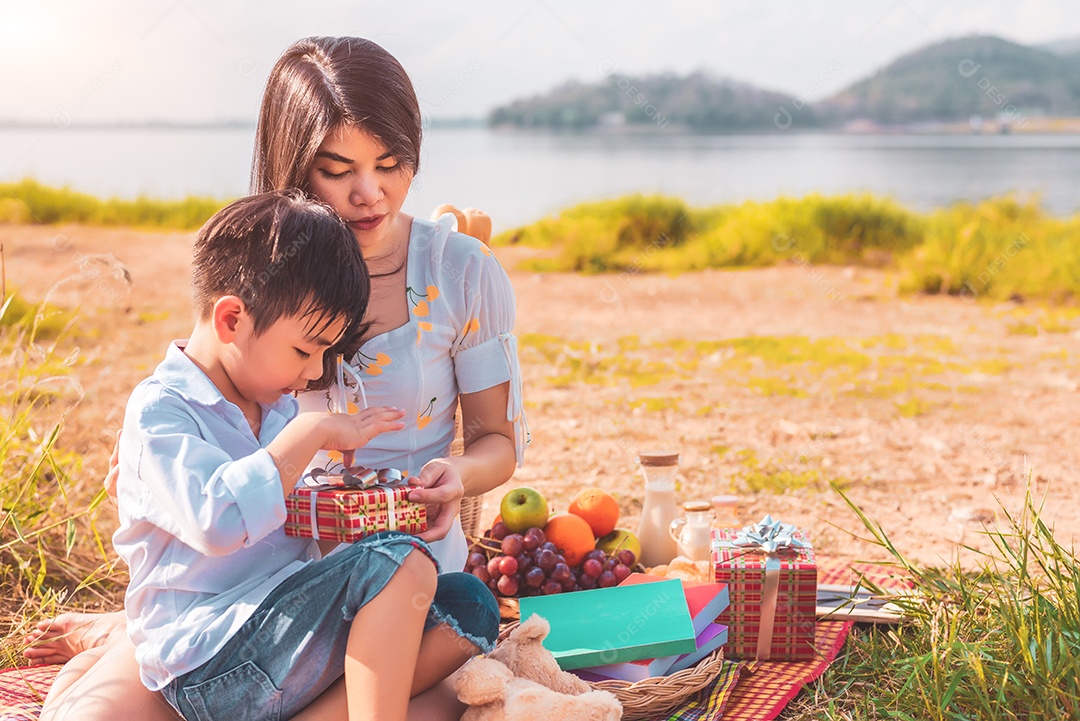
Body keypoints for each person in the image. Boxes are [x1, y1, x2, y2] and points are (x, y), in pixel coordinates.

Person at [29, 36, 525, 720]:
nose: (369, 192)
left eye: (391, 163)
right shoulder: (267, 262)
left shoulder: (459, 273)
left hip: (367, 575)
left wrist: (455, 475)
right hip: (249, 604)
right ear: (294, 168)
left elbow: (498, 439)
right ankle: (132, 637)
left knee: (463, 610)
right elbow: (202, 396)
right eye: (338, 169)